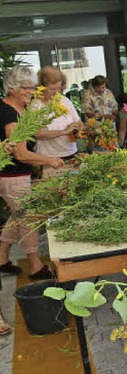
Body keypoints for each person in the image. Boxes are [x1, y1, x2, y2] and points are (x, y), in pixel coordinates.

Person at [0, 66, 63, 279]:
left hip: (18, 175)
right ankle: (36, 265)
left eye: (32, 87)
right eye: (26, 88)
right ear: (12, 89)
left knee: (18, 216)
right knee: (30, 218)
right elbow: (20, 153)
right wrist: (50, 161)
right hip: (12, 176)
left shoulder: (20, 109)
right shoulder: (8, 113)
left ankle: (1, 258)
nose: (31, 91)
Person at [31, 66, 83, 178]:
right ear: (41, 87)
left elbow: (78, 122)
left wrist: (79, 130)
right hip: (50, 159)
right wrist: (64, 131)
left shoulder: (65, 100)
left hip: (72, 154)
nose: (56, 92)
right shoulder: (36, 105)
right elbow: (38, 134)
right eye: (52, 89)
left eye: (59, 88)